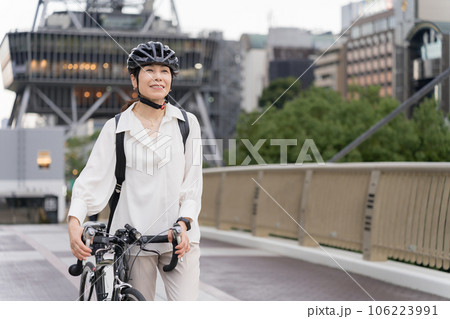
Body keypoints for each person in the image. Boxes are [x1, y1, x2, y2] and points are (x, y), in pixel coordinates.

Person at [67, 41, 203, 301]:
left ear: (171, 80)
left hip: (179, 240)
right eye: (149, 70)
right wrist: (74, 222)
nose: (158, 77)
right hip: (135, 240)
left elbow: (192, 185)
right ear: (134, 78)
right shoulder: (116, 128)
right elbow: (91, 180)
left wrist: (184, 223)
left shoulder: (188, 124)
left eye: (165, 71)